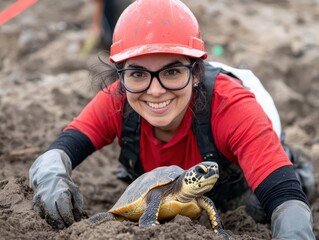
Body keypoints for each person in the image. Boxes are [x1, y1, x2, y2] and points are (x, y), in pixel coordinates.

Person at [29, 0, 316, 239]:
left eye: (172, 72)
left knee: (256, 206)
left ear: (195, 74)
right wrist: (49, 176)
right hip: (169, 191)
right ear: (121, 76)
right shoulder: (119, 98)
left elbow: (284, 197)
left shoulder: (232, 108)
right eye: (138, 73)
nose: (155, 90)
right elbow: (61, 150)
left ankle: (293, 160)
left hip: (238, 174)